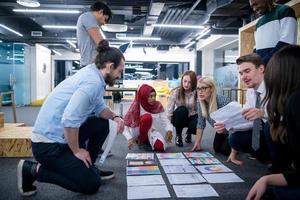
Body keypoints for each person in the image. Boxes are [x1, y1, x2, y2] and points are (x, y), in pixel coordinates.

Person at [17, 40, 125, 196]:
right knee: (91, 184)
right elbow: (69, 120)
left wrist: (115, 116)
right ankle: (32, 170)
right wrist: (77, 151)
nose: (119, 76)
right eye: (119, 71)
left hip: (62, 135)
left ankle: (88, 167)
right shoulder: (92, 83)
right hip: (47, 146)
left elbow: (100, 108)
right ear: (109, 67)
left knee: (103, 124)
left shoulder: (94, 73)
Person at [246, 45, 300, 200]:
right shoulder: (292, 100)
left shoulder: (295, 101)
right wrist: (267, 179)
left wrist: (262, 114)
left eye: (247, 71)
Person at [227, 53, 269, 165]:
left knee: (268, 126)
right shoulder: (250, 91)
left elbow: (287, 115)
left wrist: (263, 113)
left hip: (276, 127)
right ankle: (266, 157)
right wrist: (229, 126)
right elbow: (249, 120)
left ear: (261, 68)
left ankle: (280, 162)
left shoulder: (273, 86)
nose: (243, 77)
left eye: (247, 71)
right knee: (234, 139)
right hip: (261, 128)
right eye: (241, 73)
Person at [123, 84, 173, 151]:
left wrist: (169, 130)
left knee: (160, 147)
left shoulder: (157, 105)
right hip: (137, 131)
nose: (153, 98)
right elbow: (124, 125)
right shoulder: (136, 106)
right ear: (144, 96)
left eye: (154, 96)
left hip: (150, 131)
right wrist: (129, 138)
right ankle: (141, 141)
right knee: (147, 118)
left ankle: (146, 141)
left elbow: (165, 120)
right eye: (150, 96)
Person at [192, 77, 231, 156]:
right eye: (198, 89)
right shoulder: (200, 103)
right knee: (217, 148)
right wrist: (197, 143)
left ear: (211, 89)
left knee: (225, 151)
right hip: (221, 131)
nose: (200, 92)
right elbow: (200, 123)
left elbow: (234, 125)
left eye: (204, 88)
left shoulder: (223, 101)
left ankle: (241, 144)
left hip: (233, 131)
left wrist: (234, 152)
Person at [249, 0, 297, 65]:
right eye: (252, 7)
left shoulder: (284, 11)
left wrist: (264, 62)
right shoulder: (259, 23)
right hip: (264, 68)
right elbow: (257, 47)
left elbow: (287, 42)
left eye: (256, 4)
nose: (254, 9)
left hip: (280, 66)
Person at [167, 70, 198, 147]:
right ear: (182, 81)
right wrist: (168, 129)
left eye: (189, 82)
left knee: (196, 125)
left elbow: (201, 110)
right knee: (181, 110)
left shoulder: (197, 92)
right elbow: (169, 111)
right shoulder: (175, 92)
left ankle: (189, 132)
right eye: (185, 81)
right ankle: (178, 135)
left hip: (192, 115)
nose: (186, 84)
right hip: (180, 117)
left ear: (193, 82)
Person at [76, 1, 112, 68]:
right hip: (89, 66)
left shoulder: (87, 18)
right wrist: (114, 54)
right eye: (105, 19)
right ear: (100, 12)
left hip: (90, 65)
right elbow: (101, 43)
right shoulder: (88, 16)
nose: (104, 23)